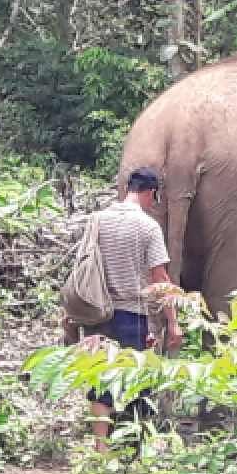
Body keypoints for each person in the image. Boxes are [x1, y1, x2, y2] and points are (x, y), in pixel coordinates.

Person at [76, 166, 182, 450]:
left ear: (126, 189)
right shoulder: (148, 227)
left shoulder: (97, 220)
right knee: (137, 380)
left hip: (96, 312)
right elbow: (159, 278)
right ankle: (136, 448)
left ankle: (101, 450)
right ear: (151, 193)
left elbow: (82, 266)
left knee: (100, 380)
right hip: (131, 315)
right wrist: (173, 321)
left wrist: (70, 312)